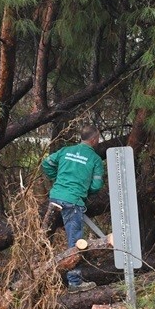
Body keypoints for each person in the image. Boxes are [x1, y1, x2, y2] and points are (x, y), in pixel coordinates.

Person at [41, 125, 106, 292]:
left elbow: (46, 163)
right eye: (97, 138)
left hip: (55, 198)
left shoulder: (65, 151)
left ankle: (40, 277)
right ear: (94, 140)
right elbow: (97, 185)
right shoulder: (95, 160)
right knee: (75, 242)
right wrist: (83, 190)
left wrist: (57, 179)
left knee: (45, 237)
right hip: (73, 201)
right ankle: (75, 282)